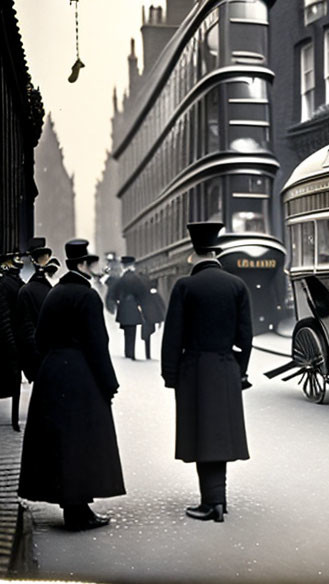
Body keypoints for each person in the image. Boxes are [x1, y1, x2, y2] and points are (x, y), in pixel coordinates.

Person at [18, 239, 126, 530]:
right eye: (91, 263)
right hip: (81, 375)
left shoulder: (55, 293)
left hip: (53, 374)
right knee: (82, 443)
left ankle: (76, 507)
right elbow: (97, 344)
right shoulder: (87, 296)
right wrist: (109, 383)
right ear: (82, 265)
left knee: (63, 444)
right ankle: (79, 513)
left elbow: (39, 338)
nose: (94, 268)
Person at [161, 222, 252, 523]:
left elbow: (172, 335)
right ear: (216, 252)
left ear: (194, 253)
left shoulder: (185, 287)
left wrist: (170, 374)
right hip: (226, 367)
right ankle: (218, 501)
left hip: (194, 369)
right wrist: (240, 370)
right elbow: (246, 337)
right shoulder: (237, 286)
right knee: (220, 435)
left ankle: (211, 502)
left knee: (201, 435)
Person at [15, 238, 56, 383]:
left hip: (47, 354)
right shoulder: (30, 290)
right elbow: (26, 327)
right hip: (43, 354)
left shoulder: (33, 289)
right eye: (44, 259)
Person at [0, 248, 25, 431]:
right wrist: (11, 342)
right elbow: (4, 317)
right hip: (8, 340)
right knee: (12, 381)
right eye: (13, 259)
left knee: (14, 381)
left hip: (11, 338)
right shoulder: (5, 283)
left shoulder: (12, 281)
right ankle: (14, 420)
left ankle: (15, 419)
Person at [109, 256, 148, 360]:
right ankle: (131, 353)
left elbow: (113, 293)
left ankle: (128, 352)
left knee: (127, 331)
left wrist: (118, 302)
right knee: (133, 331)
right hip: (134, 306)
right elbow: (143, 292)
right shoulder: (136, 278)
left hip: (123, 306)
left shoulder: (121, 279)